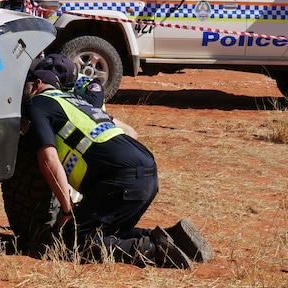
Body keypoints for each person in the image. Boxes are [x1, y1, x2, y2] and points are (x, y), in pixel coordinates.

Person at [20, 54, 212, 268]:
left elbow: (48, 159)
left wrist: (67, 209)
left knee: (74, 242)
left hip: (122, 180)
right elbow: (131, 132)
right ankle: (175, 238)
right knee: (108, 232)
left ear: (37, 84)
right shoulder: (75, 102)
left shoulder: (37, 104)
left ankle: (157, 251)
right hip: (146, 171)